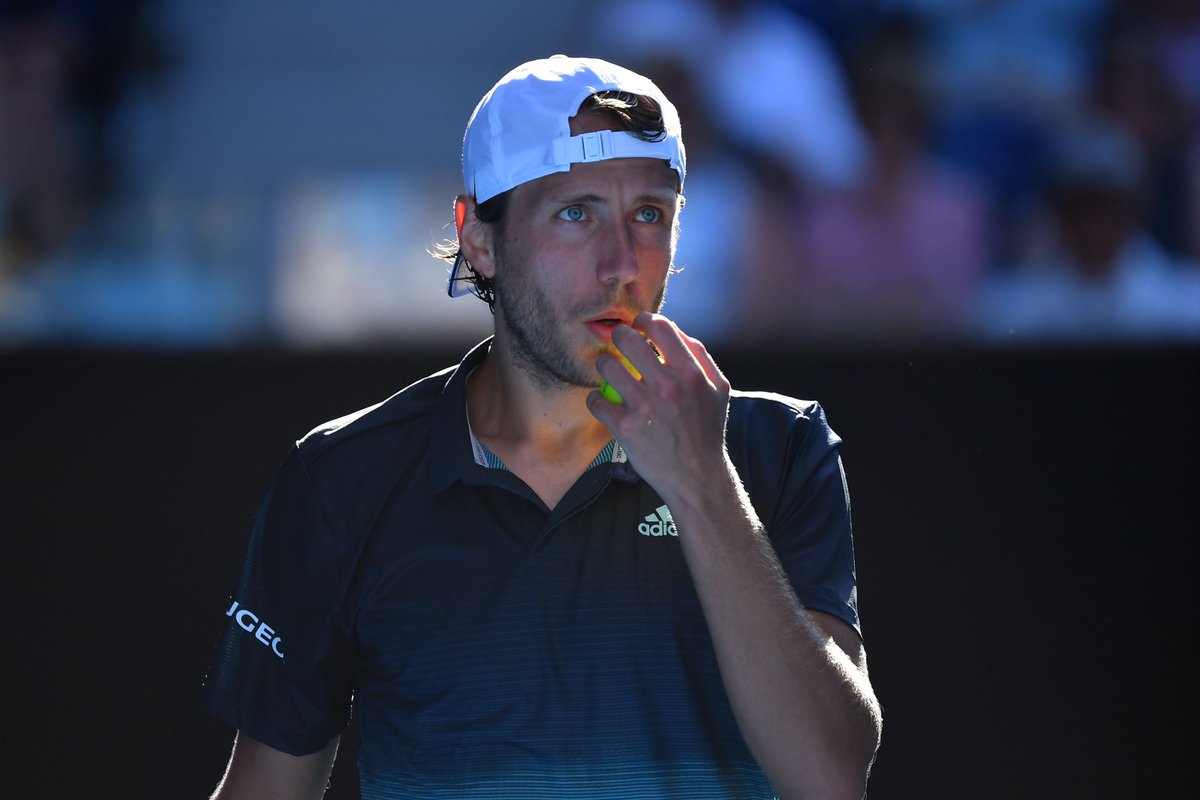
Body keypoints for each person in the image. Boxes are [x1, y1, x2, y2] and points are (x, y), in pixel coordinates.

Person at [204, 55, 882, 800]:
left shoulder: (777, 447)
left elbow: (830, 780)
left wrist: (703, 483)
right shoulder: (340, 481)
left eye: (649, 215)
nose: (621, 264)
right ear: (479, 239)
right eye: (575, 213)